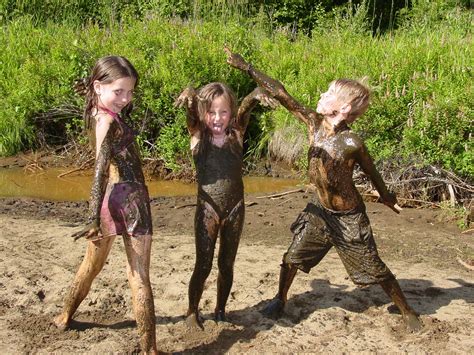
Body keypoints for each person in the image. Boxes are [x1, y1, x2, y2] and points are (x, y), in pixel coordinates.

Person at [225, 48, 423, 332]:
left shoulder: (352, 142)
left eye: (328, 93)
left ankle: (406, 310)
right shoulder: (313, 123)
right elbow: (280, 92)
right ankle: (279, 299)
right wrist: (247, 68)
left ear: (342, 109)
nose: (320, 95)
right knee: (291, 257)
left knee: (375, 267)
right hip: (319, 212)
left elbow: (372, 172)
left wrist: (387, 196)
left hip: (348, 218)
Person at [53, 56, 159, 353]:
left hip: (110, 201)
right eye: (120, 92)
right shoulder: (109, 121)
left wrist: (96, 218)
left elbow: (106, 103)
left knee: (90, 265)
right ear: (99, 87)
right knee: (139, 275)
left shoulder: (99, 110)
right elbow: (99, 169)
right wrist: (91, 219)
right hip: (131, 199)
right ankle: (150, 349)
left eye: (130, 92)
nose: (126, 99)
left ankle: (64, 316)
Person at [175, 81, 277, 329]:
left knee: (226, 264)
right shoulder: (198, 135)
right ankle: (192, 311)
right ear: (202, 113)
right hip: (207, 209)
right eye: (211, 112)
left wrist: (256, 94)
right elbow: (191, 113)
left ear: (231, 114)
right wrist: (190, 96)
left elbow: (246, 106)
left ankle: (221, 309)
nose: (217, 118)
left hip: (235, 209)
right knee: (203, 264)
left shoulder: (236, 134)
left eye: (223, 112)